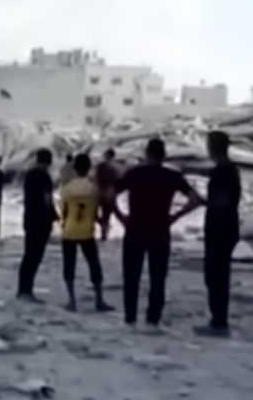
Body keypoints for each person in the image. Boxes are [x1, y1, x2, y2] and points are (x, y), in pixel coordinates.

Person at [112, 138, 203, 327]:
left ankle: (130, 317)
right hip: (159, 229)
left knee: (131, 276)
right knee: (158, 277)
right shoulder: (172, 176)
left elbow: (109, 195)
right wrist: (175, 216)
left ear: (146, 154)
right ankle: (153, 319)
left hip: (135, 228)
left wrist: (121, 217)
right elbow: (196, 199)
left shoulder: (134, 173)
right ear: (164, 155)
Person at [199, 131, 243, 337]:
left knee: (215, 276)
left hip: (220, 228)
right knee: (218, 275)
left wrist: (204, 202)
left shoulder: (223, 171)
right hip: (226, 227)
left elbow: (223, 201)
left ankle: (218, 322)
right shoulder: (229, 169)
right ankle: (218, 319)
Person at [58, 153, 108, 312]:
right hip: (87, 231)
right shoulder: (94, 187)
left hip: (69, 231)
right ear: (88, 168)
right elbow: (96, 210)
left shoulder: (67, 187)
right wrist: (100, 222)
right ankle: (99, 300)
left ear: (74, 168)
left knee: (69, 266)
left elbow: (64, 210)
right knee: (94, 265)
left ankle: (72, 301)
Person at [15, 149, 58, 301]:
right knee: (36, 255)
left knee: (28, 255)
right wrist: (54, 215)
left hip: (29, 218)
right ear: (49, 162)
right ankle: (27, 290)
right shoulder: (45, 177)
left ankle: (23, 288)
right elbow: (47, 199)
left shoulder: (29, 175)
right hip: (41, 220)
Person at [93, 149, 122, 241]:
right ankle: (104, 234)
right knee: (111, 214)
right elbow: (118, 182)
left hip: (100, 193)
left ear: (106, 155)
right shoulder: (115, 168)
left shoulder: (100, 166)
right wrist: (115, 192)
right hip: (110, 193)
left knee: (98, 214)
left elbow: (95, 178)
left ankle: (103, 233)